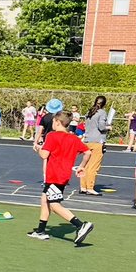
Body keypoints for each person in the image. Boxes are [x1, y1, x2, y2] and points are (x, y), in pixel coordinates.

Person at [32, 111, 95, 245]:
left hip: (54, 176)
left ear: (58, 122)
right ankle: (40, 230)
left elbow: (44, 155)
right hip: (63, 175)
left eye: (53, 121)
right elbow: (87, 152)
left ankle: (80, 225)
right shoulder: (73, 138)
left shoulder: (52, 136)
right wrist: (82, 166)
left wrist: (38, 148)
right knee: (45, 199)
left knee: (54, 204)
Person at [79, 95, 110, 196]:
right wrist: (108, 127)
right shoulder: (102, 112)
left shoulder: (90, 111)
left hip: (87, 140)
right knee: (93, 166)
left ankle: (83, 186)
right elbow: (101, 127)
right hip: (97, 141)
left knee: (86, 165)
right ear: (104, 104)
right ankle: (90, 187)